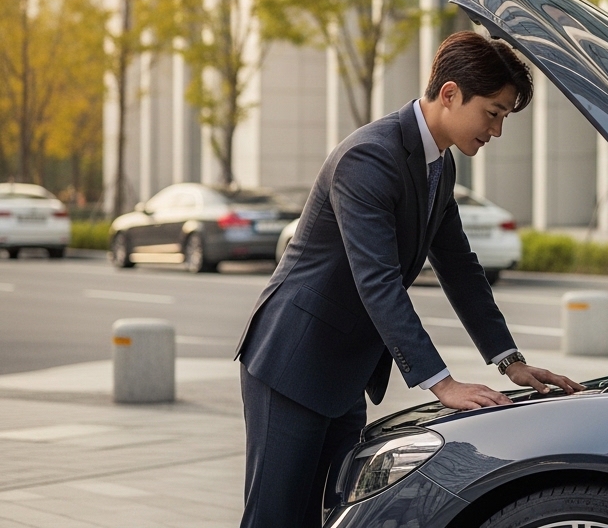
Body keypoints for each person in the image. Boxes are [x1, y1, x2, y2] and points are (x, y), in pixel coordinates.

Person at [234, 30, 584, 528]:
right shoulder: (369, 157)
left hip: (344, 373)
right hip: (292, 360)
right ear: (449, 94)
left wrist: (511, 362)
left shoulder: (438, 165)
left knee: (334, 517)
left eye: (505, 117)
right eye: (493, 112)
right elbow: (377, 281)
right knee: (276, 518)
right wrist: (441, 383)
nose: (497, 131)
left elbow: (460, 268)